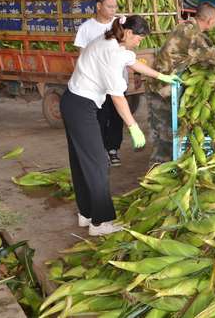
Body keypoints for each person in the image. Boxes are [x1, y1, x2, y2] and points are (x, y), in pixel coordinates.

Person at [61, 16, 180, 236]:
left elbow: (132, 61)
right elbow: (117, 97)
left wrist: (160, 75)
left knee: (81, 161)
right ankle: (100, 223)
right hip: (81, 106)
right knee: (98, 164)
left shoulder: (110, 41)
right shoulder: (112, 53)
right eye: (139, 38)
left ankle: (86, 214)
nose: (139, 43)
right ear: (128, 33)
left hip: (73, 101)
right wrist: (133, 126)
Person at [145, 2, 215, 164]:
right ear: (210, 20)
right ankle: (158, 169)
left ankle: (163, 163)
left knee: (163, 130)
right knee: (165, 133)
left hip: (159, 84)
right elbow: (214, 56)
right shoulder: (193, 35)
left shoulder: (185, 26)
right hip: (162, 89)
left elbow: (195, 55)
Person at [74, 0, 125, 167]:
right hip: (97, 85)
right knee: (100, 118)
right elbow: (81, 57)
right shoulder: (86, 28)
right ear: (98, 6)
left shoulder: (119, 25)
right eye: (110, 6)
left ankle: (113, 149)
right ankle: (101, 150)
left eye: (115, 7)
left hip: (117, 79)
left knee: (117, 116)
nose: (113, 10)